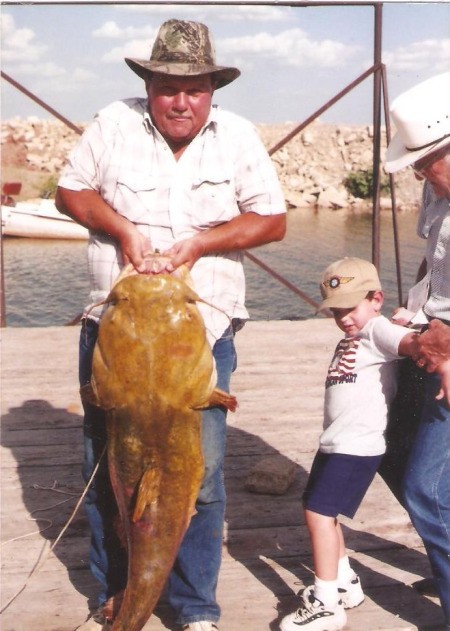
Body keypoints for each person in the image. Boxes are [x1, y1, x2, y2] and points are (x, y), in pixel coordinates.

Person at [55, 19, 286, 631]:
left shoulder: (236, 138)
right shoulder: (113, 123)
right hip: (117, 338)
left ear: (213, 88)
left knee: (199, 483)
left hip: (199, 345)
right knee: (110, 476)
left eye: (195, 87)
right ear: (149, 84)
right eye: (167, 86)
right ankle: (119, 591)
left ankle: (191, 607)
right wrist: (123, 230)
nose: (180, 101)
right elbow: (70, 192)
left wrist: (202, 244)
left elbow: (271, 220)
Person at [280, 257, 450, 631]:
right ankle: (345, 583)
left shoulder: (376, 329)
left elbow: (414, 344)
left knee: (320, 515)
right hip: (336, 441)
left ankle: (326, 602)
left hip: (358, 443)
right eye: (335, 312)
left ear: (376, 298)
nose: (343, 318)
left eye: (350, 308)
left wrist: (442, 361)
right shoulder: (356, 332)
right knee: (317, 508)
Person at [383, 71, 450, 631]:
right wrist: (418, 313)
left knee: (426, 490)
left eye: (431, 159)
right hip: (432, 334)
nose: (423, 172)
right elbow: (434, 259)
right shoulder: (438, 189)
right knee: (389, 444)